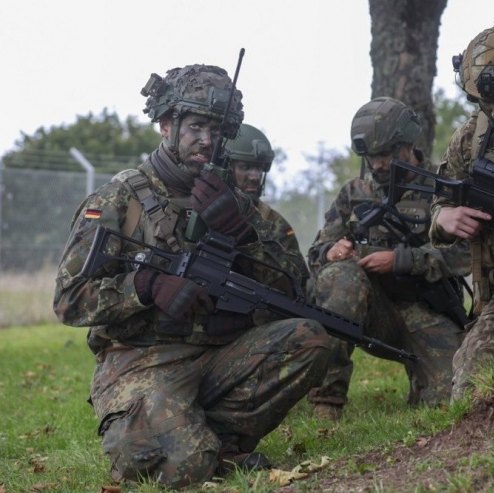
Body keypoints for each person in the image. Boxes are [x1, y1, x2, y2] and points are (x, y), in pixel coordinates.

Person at [53, 64, 331, 488]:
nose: (207, 140)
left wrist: (241, 233)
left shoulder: (235, 201)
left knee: (310, 338)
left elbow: (294, 288)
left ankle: (223, 439)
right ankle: (193, 438)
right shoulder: (119, 198)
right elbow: (70, 298)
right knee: (180, 468)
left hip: (221, 354)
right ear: (167, 125)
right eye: (197, 126)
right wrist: (148, 287)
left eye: (218, 130)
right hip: (143, 357)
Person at [307, 96, 471, 420]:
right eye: (371, 157)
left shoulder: (441, 189)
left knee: (450, 397)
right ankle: (327, 402)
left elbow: (463, 255)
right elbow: (316, 252)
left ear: (407, 145)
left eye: (385, 154)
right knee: (340, 277)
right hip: (369, 308)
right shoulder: (354, 193)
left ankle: (421, 378)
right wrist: (332, 251)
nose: (378, 164)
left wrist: (401, 261)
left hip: (424, 309)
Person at [430, 19, 494, 400]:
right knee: (470, 376)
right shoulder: (470, 138)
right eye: (484, 103)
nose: (493, 110)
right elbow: (440, 200)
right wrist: (444, 219)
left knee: (473, 378)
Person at [225, 123, 309, 289]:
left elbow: (298, 281)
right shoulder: (198, 208)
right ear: (227, 167)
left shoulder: (274, 222)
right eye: (245, 167)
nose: (255, 176)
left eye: (259, 168)